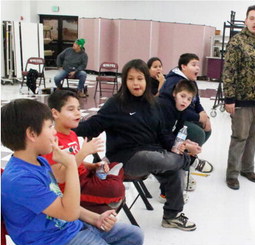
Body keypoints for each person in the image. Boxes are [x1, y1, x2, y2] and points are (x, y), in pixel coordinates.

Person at [73, 59, 196, 231]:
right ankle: (187, 161)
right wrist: (66, 128)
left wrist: (178, 146)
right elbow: (93, 125)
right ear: (124, 81)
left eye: (140, 78)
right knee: (161, 159)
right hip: (125, 159)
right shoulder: (116, 104)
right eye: (130, 79)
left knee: (173, 168)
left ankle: (172, 216)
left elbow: (163, 134)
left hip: (152, 155)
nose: (135, 83)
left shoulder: (154, 104)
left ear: (146, 80)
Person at [1, 99, 143, 245]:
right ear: (32, 134)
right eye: (50, 126)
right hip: (54, 241)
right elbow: (69, 213)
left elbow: (60, 200)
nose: (54, 132)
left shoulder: (40, 162)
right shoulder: (20, 179)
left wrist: (95, 219)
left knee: (135, 235)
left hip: (71, 228)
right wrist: (69, 164)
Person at [42, 90, 126, 214]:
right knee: (114, 189)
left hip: (84, 176)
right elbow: (59, 177)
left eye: (78, 108)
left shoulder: (72, 134)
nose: (77, 113)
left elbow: (78, 162)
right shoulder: (52, 141)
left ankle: (105, 184)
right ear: (55, 113)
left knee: (115, 165)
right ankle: (107, 193)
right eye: (71, 109)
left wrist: (92, 166)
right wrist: (83, 152)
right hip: (73, 187)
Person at [222, 5, 255, 190]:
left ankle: (247, 169)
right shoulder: (237, 42)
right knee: (240, 137)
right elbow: (229, 72)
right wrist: (229, 98)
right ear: (246, 20)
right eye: (252, 18)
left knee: (253, 137)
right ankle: (232, 174)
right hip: (243, 101)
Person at [160, 53, 213, 173]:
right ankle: (184, 164)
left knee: (207, 129)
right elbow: (178, 110)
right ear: (183, 67)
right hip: (176, 119)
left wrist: (204, 115)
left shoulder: (191, 81)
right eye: (193, 65)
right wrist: (199, 117)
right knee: (198, 133)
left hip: (185, 116)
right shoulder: (173, 82)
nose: (197, 68)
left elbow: (196, 101)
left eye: (198, 65)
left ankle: (189, 156)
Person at [157, 79, 202, 201]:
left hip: (163, 142)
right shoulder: (164, 106)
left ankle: (174, 189)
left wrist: (186, 143)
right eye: (182, 96)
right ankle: (166, 194)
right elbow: (162, 134)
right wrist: (182, 145)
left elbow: (176, 133)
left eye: (188, 99)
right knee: (178, 158)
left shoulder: (182, 110)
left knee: (181, 154)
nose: (185, 101)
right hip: (150, 144)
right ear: (174, 94)